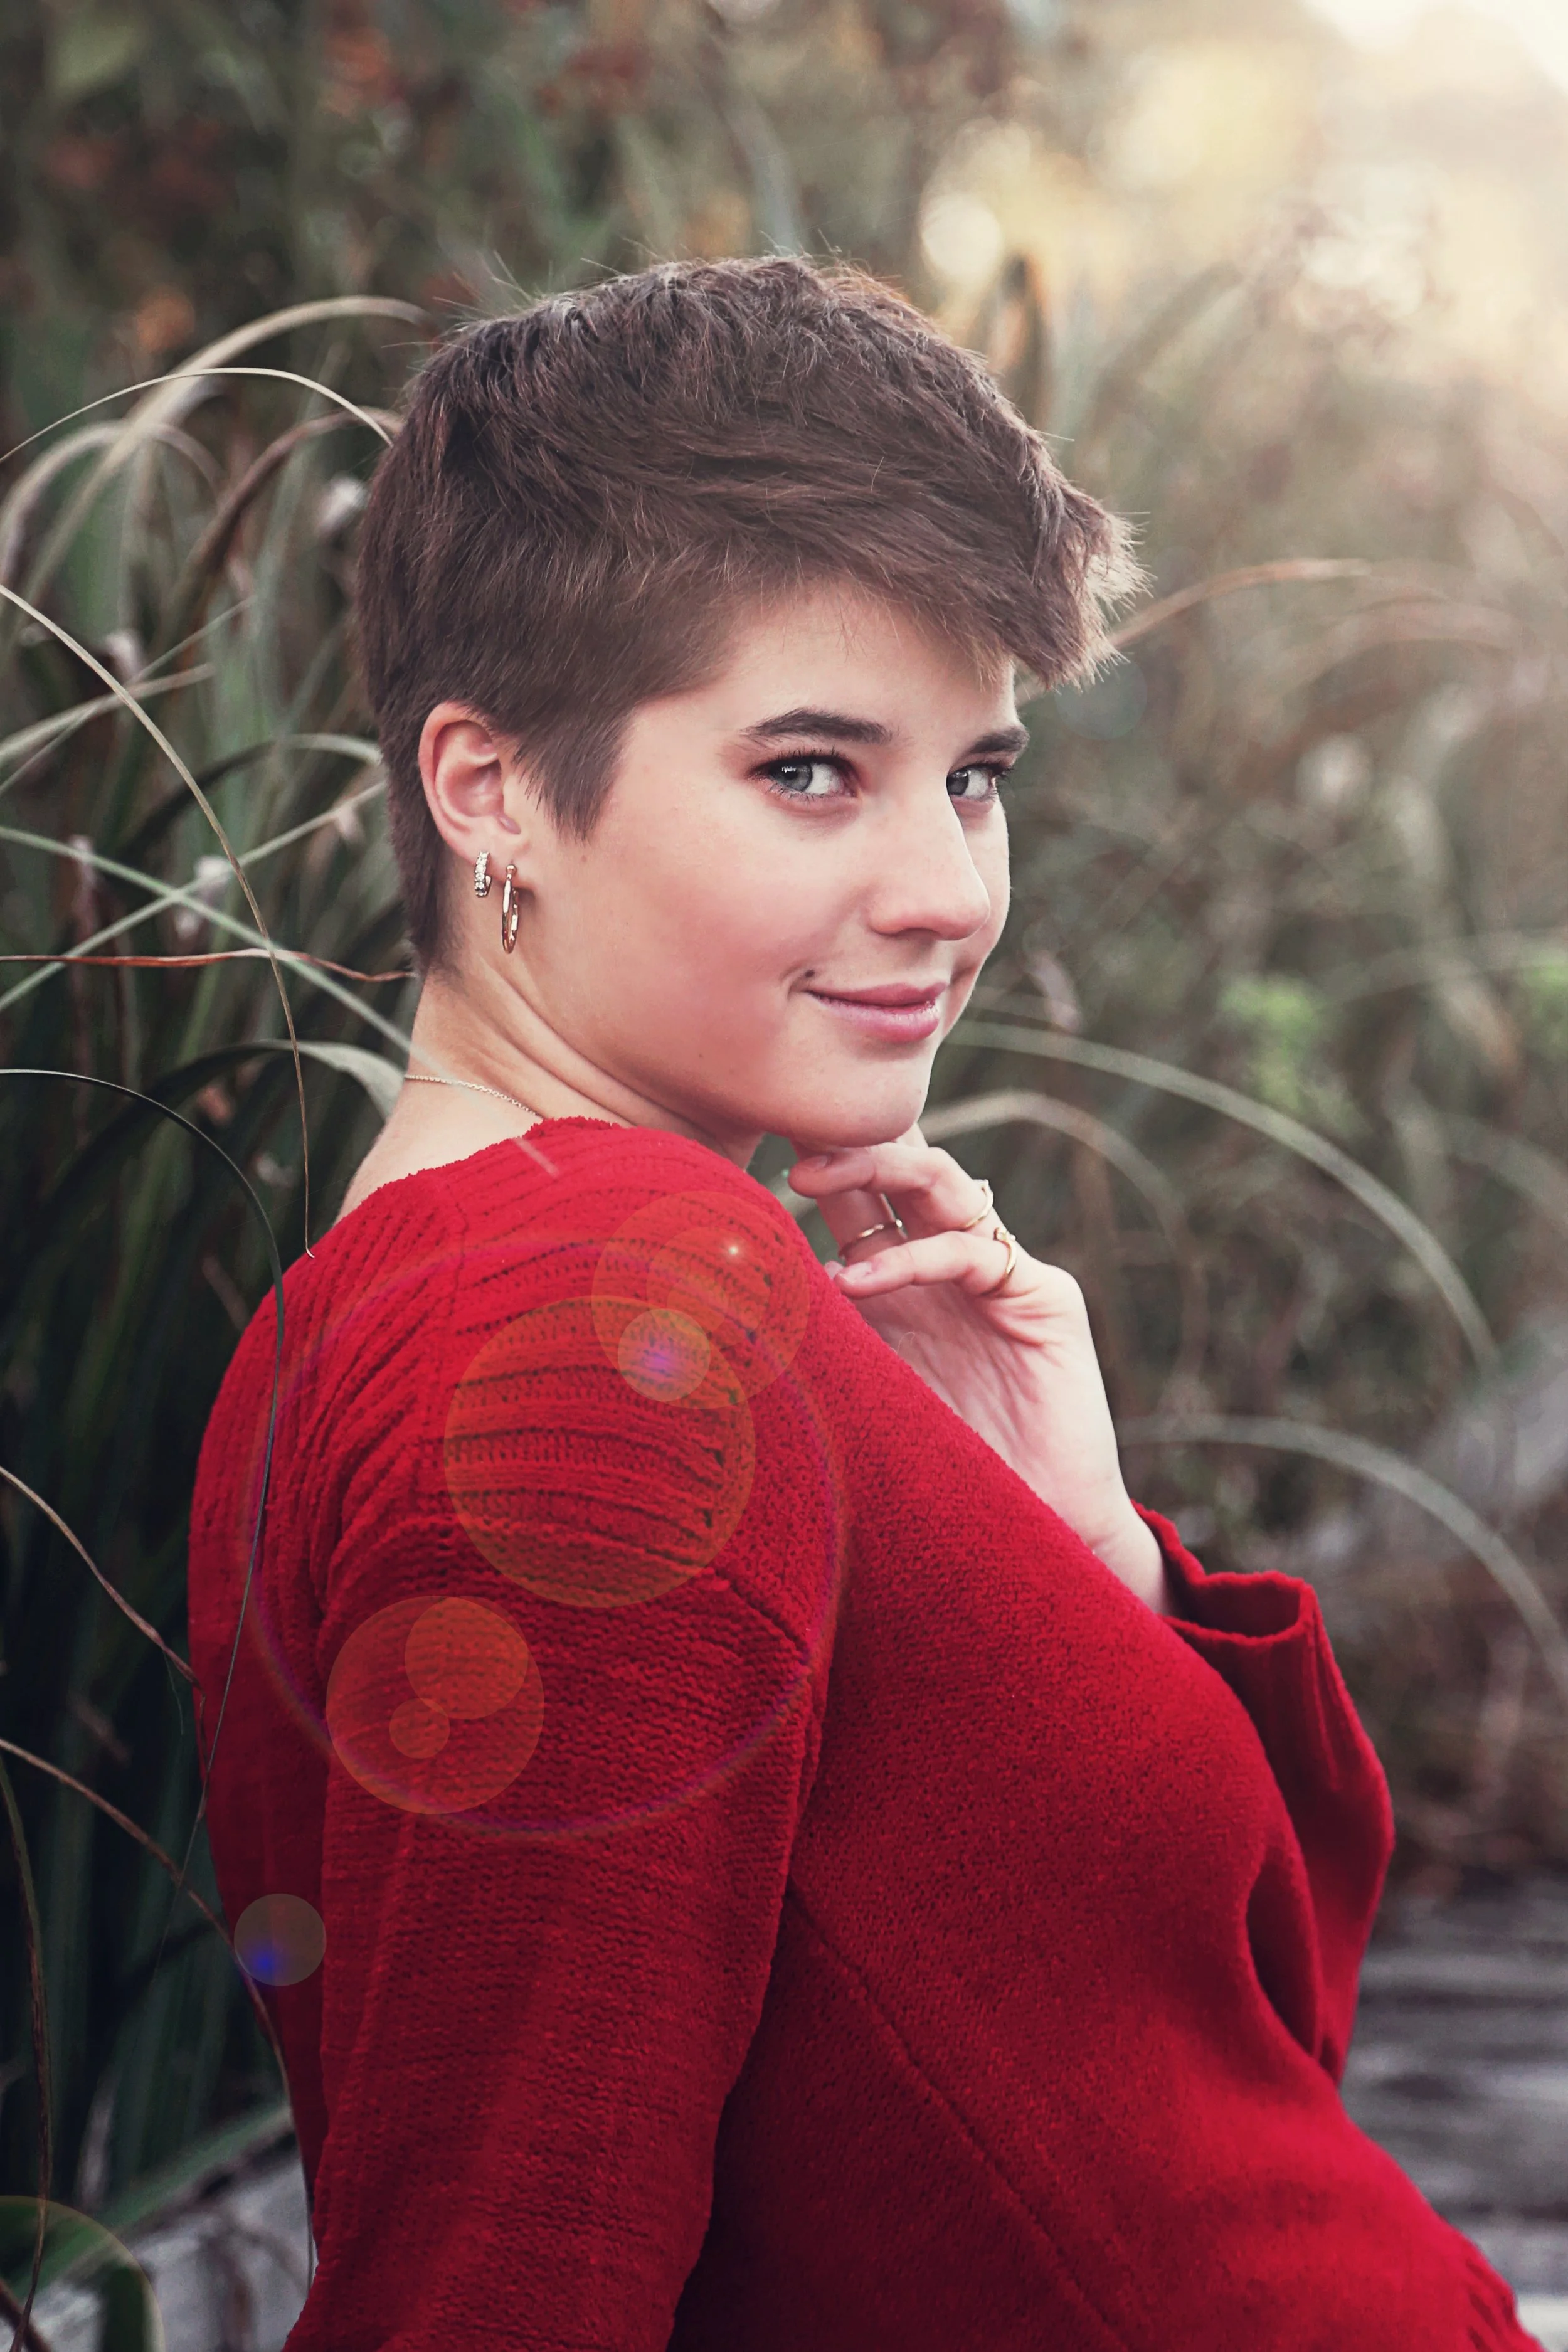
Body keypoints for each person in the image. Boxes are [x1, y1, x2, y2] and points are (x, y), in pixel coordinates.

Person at [186, 257, 1535, 2350]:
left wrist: (1083, 1563)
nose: (948, 889)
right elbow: (503, 2264)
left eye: (973, 773)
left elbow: (1196, 2080)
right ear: (485, 787)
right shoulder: (592, 1349)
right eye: (811, 767)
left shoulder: (557, 1293)